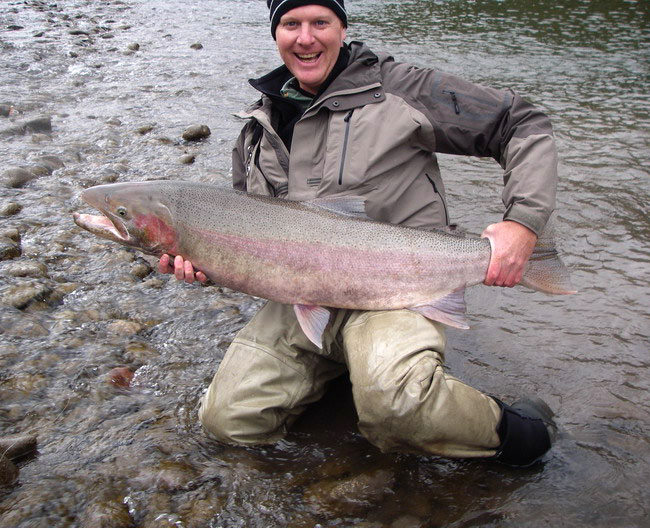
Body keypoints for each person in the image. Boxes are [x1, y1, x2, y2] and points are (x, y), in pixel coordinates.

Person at [160, 0, 557, 466]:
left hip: (398, 290)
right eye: (291, 24)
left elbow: (521, 122)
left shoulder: (402, 90)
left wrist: (522, 224)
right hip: (301, 302)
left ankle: (519, 431)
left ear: (342, 27)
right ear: (275, 33)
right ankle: (347, 377)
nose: (305, 38)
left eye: (320, 22)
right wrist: (205, 262)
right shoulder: (257, 128)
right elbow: (247, 238)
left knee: (397, 409)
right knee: (227, 422)